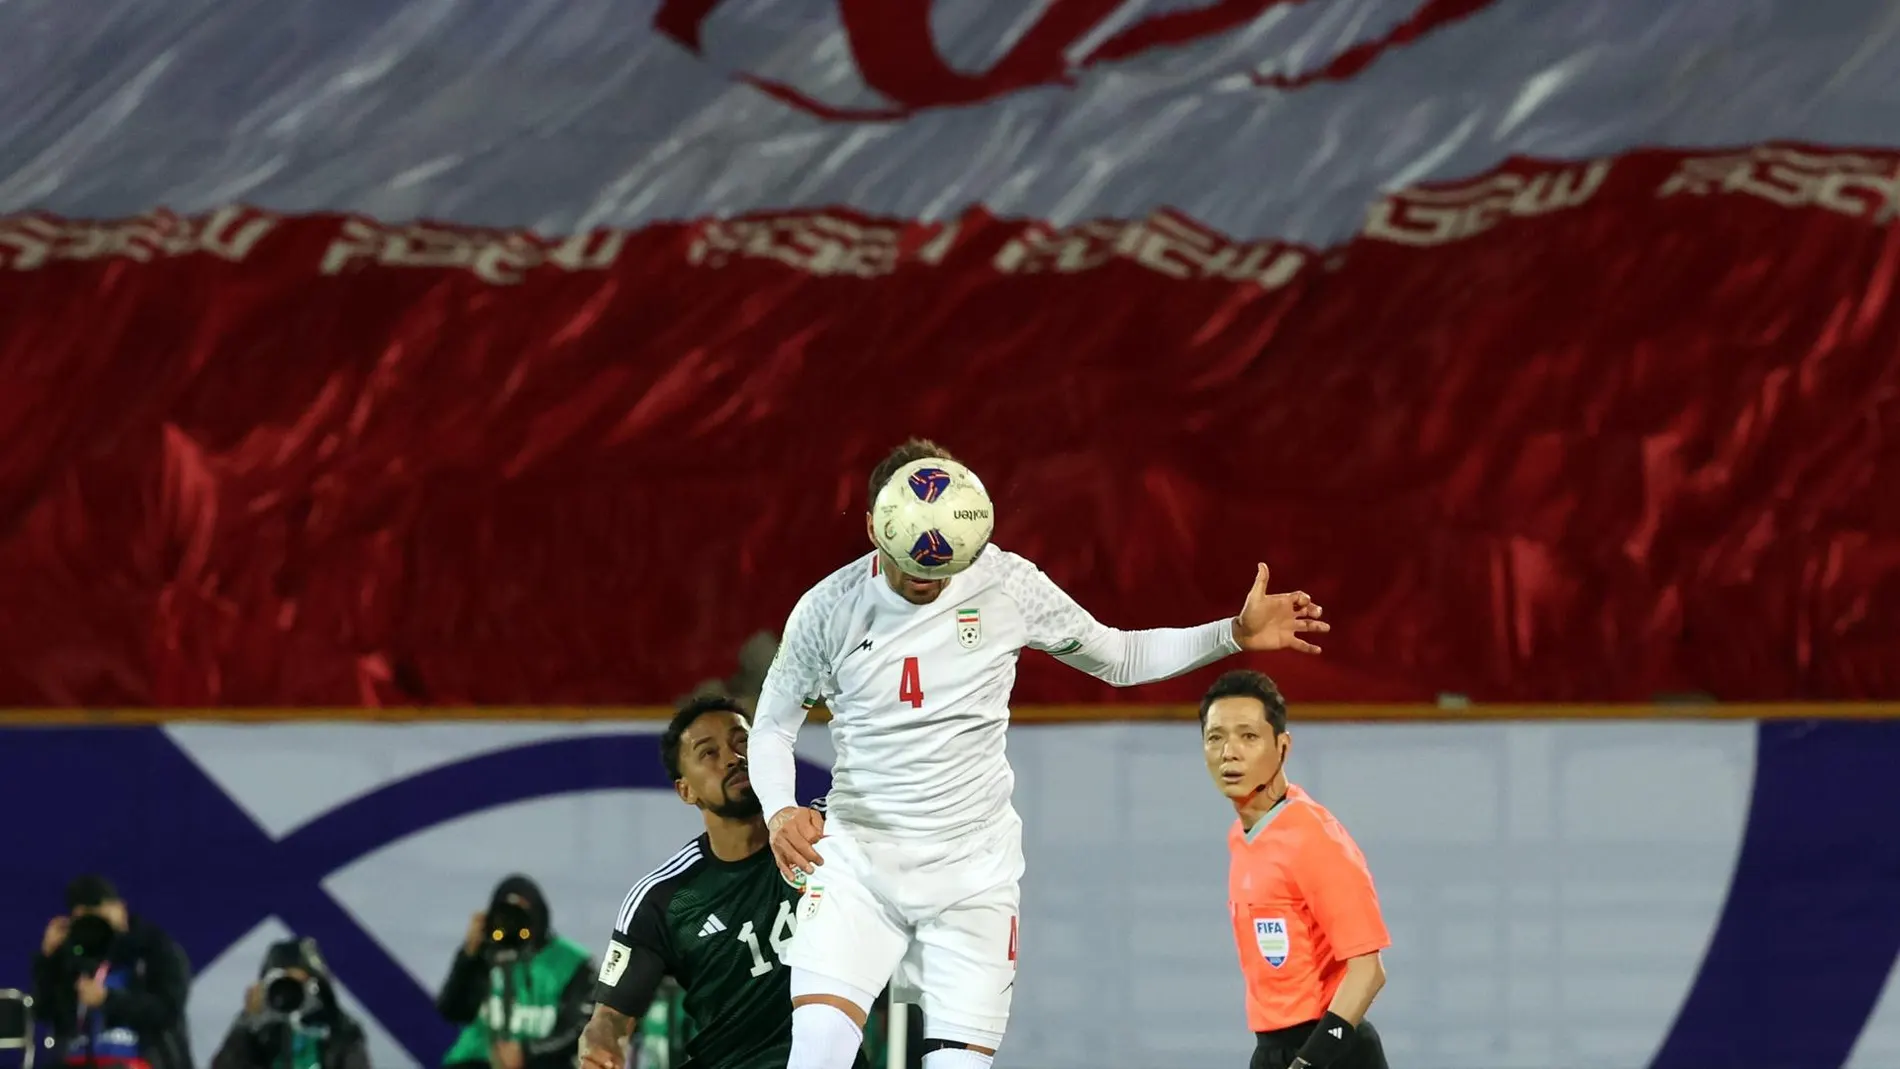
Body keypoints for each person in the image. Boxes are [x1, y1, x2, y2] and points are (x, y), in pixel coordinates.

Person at [746, 438, 1332, 1069]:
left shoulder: (1007, 584)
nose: (925, 580)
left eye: (942, 569)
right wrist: (780, 809)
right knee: (817, 1056)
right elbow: (772, 727)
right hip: (858, 863)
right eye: (908, 563)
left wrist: (1232, 634)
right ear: (871, 527)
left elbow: (1120, 658)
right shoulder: (827, 609)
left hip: (973, 875)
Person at [577, 696, 867, 1069]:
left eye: (741, 741)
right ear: (686, 791)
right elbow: (611, 1018)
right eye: (708, 753)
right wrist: (600, 1045)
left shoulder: (827, 832)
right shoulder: (663, 899)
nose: (732, 758)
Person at [1200, 669, 1391, 1069]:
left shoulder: (1316, 837)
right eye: (1215, 736)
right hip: (1273, 1050)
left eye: (1248, 736)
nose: (1228, 752)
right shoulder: (1242, 836)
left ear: (1282, 748)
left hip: (1332, 1051)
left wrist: (1313, 1060)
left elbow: (1368, 971)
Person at [31, 874, 192, 1069]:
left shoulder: (155, 950)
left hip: (143, 1061)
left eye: (98, 910)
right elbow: (46, 1012)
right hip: (77, 1061)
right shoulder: (75, 955)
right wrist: (48, 959)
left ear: (120, 909)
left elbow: (168, 1010)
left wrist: (107, 1000)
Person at [437, 875, 595, 1069]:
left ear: (538, 914)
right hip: (479, 1062)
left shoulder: (572, 962)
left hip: (545, 1063)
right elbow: (453, 1011)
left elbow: (581, 1030)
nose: (513, 922)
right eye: (505, 914)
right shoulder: (483, 954)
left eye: (521, 913)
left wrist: (528, 1052)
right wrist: (468, 956)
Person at [210, 937, 370, 1069]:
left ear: (318, 986)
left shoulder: (341, 1034)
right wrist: (247, 1023)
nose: (291, 992)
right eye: (283, 983)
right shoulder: (258, 1034)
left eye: (300, 983)